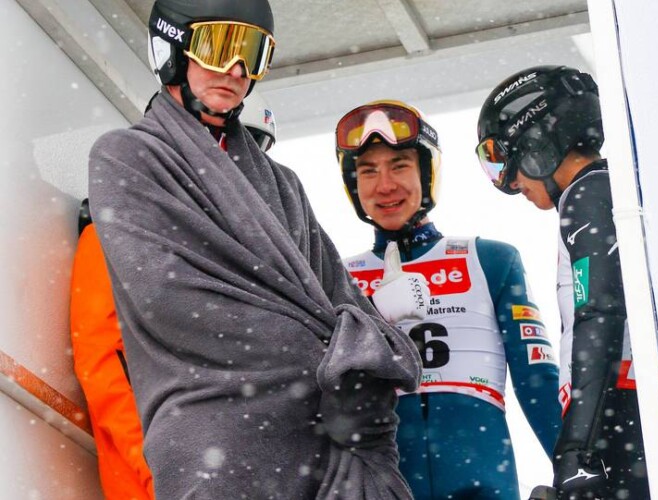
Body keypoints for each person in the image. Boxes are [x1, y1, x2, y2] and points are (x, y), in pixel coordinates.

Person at [85, 1, 423, 498]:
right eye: (220, 47)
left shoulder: (283, 184)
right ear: (171, 47)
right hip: (215, 442)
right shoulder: (127, 156)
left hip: (325, 445)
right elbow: (169, 297)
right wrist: (336, 359)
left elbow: (341, 296)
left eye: (253, 52)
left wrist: (366, 361)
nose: (237, 70)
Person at [336, 99, 561, 499]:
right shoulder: (336, 277)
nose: (384, 185)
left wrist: (578, 468)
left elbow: (538, 380)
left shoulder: (490, 260)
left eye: (399, 165)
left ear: (427, 173)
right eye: (368, 171)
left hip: (481, 483)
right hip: (382, 485)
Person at [69, 92, 278, 500]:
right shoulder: (117, 236)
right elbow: (104, 367)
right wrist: (169, 475)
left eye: (247, 153)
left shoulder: (254, 265)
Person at [475, 65, 650, 499]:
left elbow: (601, 314)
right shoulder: (613, 190)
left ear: (536, 141)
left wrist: (577, 452)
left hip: (617, 410)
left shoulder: (588, 193)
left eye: (503, 160)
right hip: (624, 410)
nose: (511, 181)